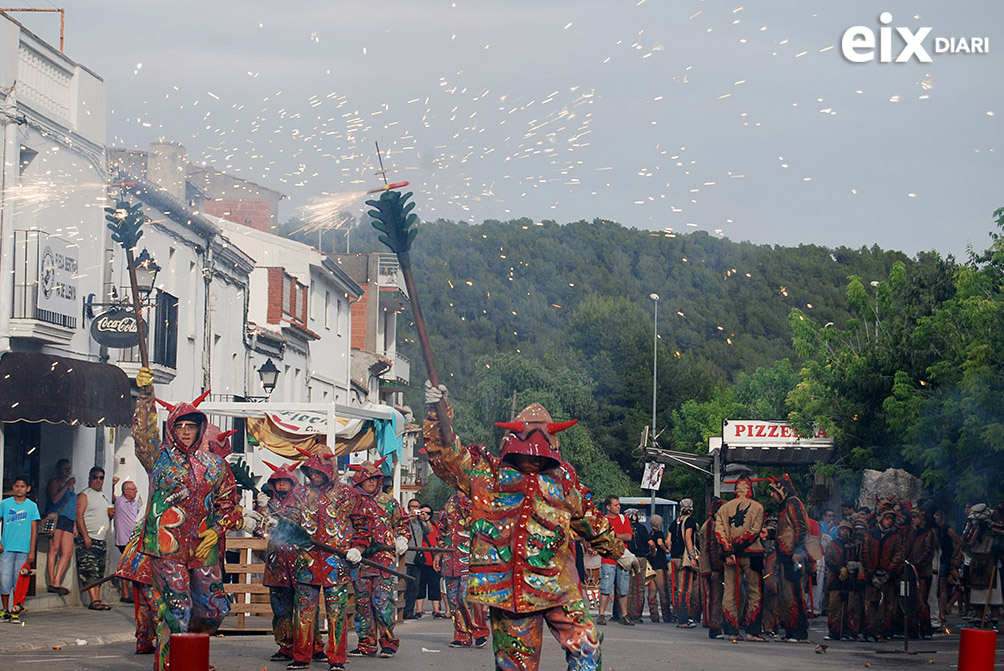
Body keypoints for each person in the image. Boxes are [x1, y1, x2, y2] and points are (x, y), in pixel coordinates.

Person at [423, 383, 638, 671]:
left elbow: (588, 518)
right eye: (528, 452)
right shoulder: (487, 474)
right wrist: (437, 412)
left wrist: (619, 551)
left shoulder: (563, 480)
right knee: (516, 666)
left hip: (560, 585)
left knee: (586, 646)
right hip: (510, 590)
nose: (535, 458)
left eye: (541, 453)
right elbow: (447, 456)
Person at [131, 367, 244, 671]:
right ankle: (172, 664)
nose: (185, 432)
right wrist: (145, 396)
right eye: (179, 426)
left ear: (199, 429)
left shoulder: (214, 465)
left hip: (202, 547)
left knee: (214, 609)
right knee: (176, 608)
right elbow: (142, 435)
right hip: (166, 547)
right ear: (172, 428)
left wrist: (218, 527)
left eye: (190, 427)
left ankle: (190, 655)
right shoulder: (158, 460)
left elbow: (231, 503)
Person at [288, 451, 358, 671]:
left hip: (335, 563)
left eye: (319, 471)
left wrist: (359, 546)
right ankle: (301, 656)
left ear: (329, 470)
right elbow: (289, 519)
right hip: (305, 562)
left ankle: (337, 658)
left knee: (337, 613)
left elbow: (362, 522)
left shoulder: (347, 494)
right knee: (303, 611)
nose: (314, 476)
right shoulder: (300, 493)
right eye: (311, 471)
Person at [347, 459, 410, 658]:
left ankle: (388, 641)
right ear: (359, 481)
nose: (372, 483)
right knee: (363, 603)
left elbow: (403, 523)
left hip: (383, 558)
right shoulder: (351, 502)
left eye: (375, 479)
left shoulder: (388, 501)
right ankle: (366, 643)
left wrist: (402, 538)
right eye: (368, 479)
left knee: (382, 601)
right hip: (359, 558)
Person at [715, 477, 765, 641]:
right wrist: (736, 548)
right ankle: (752, 631)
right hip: (753, 554)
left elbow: (719, 532)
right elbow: (754, 532)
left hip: (731, 557)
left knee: (729, 592)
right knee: (755, 592)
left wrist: (729, 551)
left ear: (735, 489)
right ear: (750, 489)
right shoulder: (758, 507)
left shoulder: (724, 508)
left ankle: (731, 630)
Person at [438, 491, 490, 648]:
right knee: (453, 599)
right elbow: (443, 530)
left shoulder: (476, 500)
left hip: (470, 557)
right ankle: (461, 634)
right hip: (450, 558)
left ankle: (479, 631)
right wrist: (439, 553)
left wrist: (464, 500)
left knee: (466, 596)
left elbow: (478, 523)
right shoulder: (449, 503)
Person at [767, 474, 811, 642]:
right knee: (787, 596)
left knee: (795, 594)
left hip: (794, 556)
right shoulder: (785, 506)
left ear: (782, 490)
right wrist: (769, 533)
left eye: (774, 491)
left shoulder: (793, 503)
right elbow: (784, 531)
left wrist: (798, 550)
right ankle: (791, 632)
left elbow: (801, 526)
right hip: (785, 556)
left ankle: (800, 633)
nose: (771, 495)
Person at [862, 500, 904, 641]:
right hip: (872, 576)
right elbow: (865, 553)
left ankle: (884, 631)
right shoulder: (870, 534)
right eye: (887, 518)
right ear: (880, 518)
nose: (889, 522)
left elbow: (898, 554)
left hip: (888, 576)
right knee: (871, 603)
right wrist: (871, 573)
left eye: (891, 519)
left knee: (888, 605)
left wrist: (889, 572)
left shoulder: (894, 536)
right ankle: (870, 631)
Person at [1, 476, 40, 622]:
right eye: (17, 486)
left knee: (20, 581)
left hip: (23, 549)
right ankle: (5, 610)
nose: (19, 489)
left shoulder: (31, 506)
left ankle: (16, 611)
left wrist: (32, 551)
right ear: (13, 488)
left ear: (27, 489)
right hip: (6, 548)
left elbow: (34, 530)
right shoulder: (5, 504)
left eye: (22, 486)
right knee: (5, 580)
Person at [75, 466, 113, 610]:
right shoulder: (85, 495)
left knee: (99, 572)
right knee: (89, 570)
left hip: (101, 539)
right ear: (90, 478)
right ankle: (93, 600)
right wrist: (85, 536)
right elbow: (79, 516)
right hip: (89, 538)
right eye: (95, 477)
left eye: (101, 478)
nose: (98, 480)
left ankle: (97, 598)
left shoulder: (103, 496)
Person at [598, 495, 634, 625]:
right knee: (605, 588)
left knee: (623, 588)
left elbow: (629, 536)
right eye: (616, 505)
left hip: (622, 558)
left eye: (619, 504)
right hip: (608, 558)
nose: (619, 507)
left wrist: (613, 536)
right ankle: (601, 614)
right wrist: (618, 537)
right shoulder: (603, 520)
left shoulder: (624, 519)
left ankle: (624, 615)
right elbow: (601, 536)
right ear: (608, 507)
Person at [45, 458, 76, 595]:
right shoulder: (54, 482)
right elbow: (55, 499)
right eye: (65, 469)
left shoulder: (71, 487)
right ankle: (52, 581)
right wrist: (66, 485)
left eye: (69, 469)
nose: (67, 471)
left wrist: (74, 524)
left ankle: (57, 579)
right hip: (57, 517)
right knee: (54, 549)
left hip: (68, 519)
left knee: (67, 552)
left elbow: (72, 505)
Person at [671, 498, 700, 628]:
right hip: (684, 559)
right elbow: (688, 538)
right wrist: (692, 556)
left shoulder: (675, 522)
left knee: (678, 589)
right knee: (685, 589)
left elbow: (668, 541)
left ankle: (678, 614)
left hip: (674, 558)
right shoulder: (690, 521)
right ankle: (683, 619)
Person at [698, 498, 724, 638]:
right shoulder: (711, 526)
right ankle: (715, 626)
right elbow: (711, 548)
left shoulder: (707, 524)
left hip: (707, 566)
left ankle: (710, 622)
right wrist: (715, 567)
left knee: (712, 596)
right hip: (711, 567)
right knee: (715, 596)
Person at [624, 508, 655, 623]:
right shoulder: (642, 528)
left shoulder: (626, 528)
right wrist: (653, 550)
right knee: (639, 587)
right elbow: (651, 543)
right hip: (640, 559)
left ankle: (625, 612)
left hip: (627, 558)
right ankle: (636, 614)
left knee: (628, 587)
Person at [114, 480, 143, 603]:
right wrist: (112, 485)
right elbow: (112, 497)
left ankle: (130, 593)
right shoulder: (120, 502)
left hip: (134, 539)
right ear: (126, 491)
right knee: (126, 565)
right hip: (124, 539)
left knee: (132, 565)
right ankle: (125, 593)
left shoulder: (135, 503)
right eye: (133, 489)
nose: (136, 491)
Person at [402, 498, 425, 618]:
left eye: (417, 507)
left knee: (414, 586)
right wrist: (407, 517)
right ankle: (403, 609)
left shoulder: (421, 522)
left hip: (417, 559)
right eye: (412, 506)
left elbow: (429, 530)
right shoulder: (405, 520)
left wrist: (424, 518)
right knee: (404, 585)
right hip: (406, 558)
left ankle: (409, 610)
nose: (414, 509)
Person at [647, 513, 671, 623]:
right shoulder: (659, 533)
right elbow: (660, 542)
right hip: (660, 565)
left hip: (651, 566)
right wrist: (665, 549)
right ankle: (666, 615)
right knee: (663, 591)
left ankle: (654, 615)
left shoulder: (649, 534)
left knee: (652, 592)